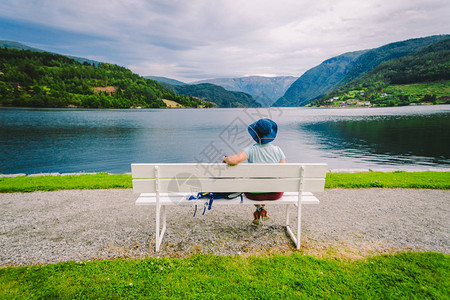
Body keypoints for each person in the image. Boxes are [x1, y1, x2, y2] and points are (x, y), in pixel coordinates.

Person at [223, 118, 286, 225]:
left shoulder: (250, 150)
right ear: (271, 133)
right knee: (268, 182)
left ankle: (259, 208)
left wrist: (225, 159)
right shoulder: (278, 150)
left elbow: (233, 160)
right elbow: (284, 174)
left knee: (249, 181)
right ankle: (261, 210)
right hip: (275, 194)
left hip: (254, 194)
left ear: (255, 135)